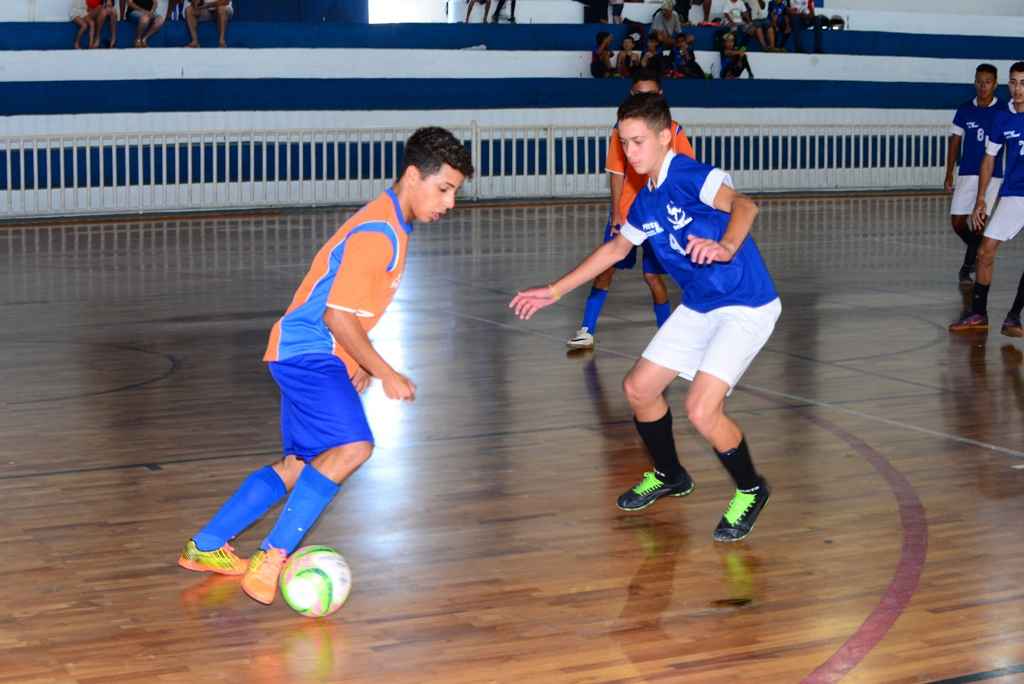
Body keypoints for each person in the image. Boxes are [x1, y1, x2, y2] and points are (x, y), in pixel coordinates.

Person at [177, 128, 475, 604]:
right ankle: (272, 556)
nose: (450, 202)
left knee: (301, 464)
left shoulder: (393, 224)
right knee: (354, 446)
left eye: (456, 191)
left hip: (308, 352)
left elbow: (348, 310)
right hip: (307, 351)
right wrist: (384, 370)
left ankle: (207, 546)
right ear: (413, 175)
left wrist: (356, 357)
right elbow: (336, 317)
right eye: (444, 189)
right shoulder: (379, 232)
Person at [513, 93, 780, 542]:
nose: (630, 153)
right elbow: (618, 249)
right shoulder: (645, 202)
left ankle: (751, 488)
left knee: (701, 408)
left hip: (744, 304)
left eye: (638, 142)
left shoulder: (690, 176)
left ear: (665, 135)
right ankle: (671, 474)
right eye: (624, 144)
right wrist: (555, 290)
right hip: (699, 305)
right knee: (639, 389)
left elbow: (745, 205)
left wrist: (726, 247)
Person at [567, 69, 696, 349]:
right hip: (628, 213)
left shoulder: (673, 131)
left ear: (660, 96)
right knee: (606, 267)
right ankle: (587, 328)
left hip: (659, 217)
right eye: (638, 94)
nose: (644, 99)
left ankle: (667, 335)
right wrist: (616, 213)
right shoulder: (621, 130)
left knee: (653, 277)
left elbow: (685, 176)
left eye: (649, 94)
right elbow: (616, 171)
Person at [952, 62, 1024, 338]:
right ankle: (979, 314)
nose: (1018, 89)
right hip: (1014, 193)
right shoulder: (1002, 118)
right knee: (985, 252)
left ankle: (1014, 317)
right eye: (1014, 82)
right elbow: (989, 158)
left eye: (1023, 83)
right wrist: (981, 199)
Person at [944, 64, 1003, 285]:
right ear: (974, 82)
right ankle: (978, 250)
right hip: (967, 172)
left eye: (988, 81)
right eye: (979, 81)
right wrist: (949, 172)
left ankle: (968, 267)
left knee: (978, 223)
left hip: (992, 175)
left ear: (995, 84)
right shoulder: (965, 109)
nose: (983, 86)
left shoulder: (1003, 111)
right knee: (958, 222)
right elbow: (954, 141)